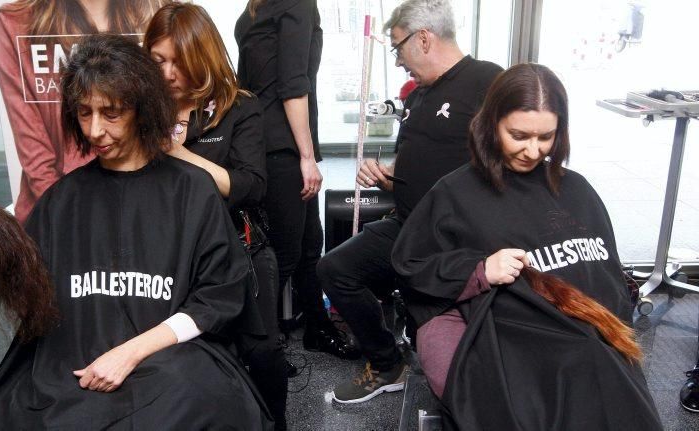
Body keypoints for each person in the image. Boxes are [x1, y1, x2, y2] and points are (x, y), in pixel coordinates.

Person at [0, 34, 271, 430]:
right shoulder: (63, 198)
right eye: (84, 113)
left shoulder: (192, 190)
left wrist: (129, 353)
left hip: (167, 359)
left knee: (198, 402)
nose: (94, 130)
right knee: (14, 413)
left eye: (111, 113)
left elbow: (217, 298)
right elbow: (33, 283)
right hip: (74, 356)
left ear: (142, 110)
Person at [391, 63, 662, 429]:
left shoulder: (577, 190)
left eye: (545, 137)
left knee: (609, 380)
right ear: (491, 124)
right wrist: (480, 270)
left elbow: (607, 276)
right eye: (518, 135)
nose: (533, 151)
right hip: (512, 336)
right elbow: (412, 265)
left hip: (587, 335)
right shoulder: (455, 193)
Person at [318, 0, 503, 403]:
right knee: (335, 270)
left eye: (397, 48)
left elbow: (508, 165)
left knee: (443, 346)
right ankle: (387, 364)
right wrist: (387, 176)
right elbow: (417, 161)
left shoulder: (488, 82)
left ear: (423, 38)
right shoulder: (419, 96)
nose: (398, 60)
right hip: (407, 223)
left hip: (454, 239)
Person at [143, 3, 288, 429]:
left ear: (201, 57)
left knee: (261, 351)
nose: (168, 73)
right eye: (158, 61)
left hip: (239, 246)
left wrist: (180, 154)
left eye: (179, 62)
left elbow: (251, 185)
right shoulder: (142, 111)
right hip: (171, 253)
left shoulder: (238, 107)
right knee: (184, 358)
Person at [235, 0, 358, 359]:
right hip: (284, 147)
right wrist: (306, 155)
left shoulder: (255, 10)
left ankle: (317, 329)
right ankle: (258, 348)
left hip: (263, 140)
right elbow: (292, 85)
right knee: (284, 254)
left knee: (307, 245)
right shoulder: (297, 3)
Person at [0, 0, 166, 223]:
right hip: (54, 212)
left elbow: (164, 113)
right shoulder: (14, 21)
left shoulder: (157, 10)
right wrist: (73, 219)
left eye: (110, 112)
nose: (95, 131)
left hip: (140, 202)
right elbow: (34, 152)